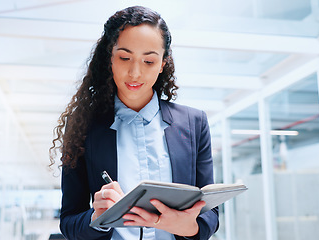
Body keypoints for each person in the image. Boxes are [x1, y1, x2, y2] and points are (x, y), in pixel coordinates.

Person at [49, 6, 219, 240]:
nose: (135, 73)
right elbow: (69, 222)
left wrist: (187, 226)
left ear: (162, 63)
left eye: (148, 61)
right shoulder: (84, 125)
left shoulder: (194, 123)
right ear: (109, 57)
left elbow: (210, 215)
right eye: (125, 57)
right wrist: (97, 217)